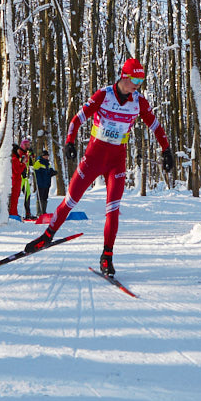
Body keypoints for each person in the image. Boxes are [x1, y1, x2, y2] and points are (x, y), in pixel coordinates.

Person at [25, 58, 174, 277]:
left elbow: (156, 126)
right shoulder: (103, 95)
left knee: (113, 210)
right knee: (70, 201)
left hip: (117, 161)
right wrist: (69, 141)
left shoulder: (139, 102)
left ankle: (107, 257)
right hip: (94, 157)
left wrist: (166, 150)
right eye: (134, 79)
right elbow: (77, 119)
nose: (137, 84)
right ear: (123, 76)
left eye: (141, 80)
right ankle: (47, 236)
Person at [9, 136, 32, 219]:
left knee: (24, 195)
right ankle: (13, 213)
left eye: (28, 144)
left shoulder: (25, 153)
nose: (28, 146)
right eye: (26, 144)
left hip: (22, 178)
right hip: (17, 179)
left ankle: (26, 213)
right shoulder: (15, 158)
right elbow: (18, 169)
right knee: (14, 197)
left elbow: (28, 162)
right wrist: (23, 163)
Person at [31, 149, 58, 216]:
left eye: (47, 156)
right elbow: (34, 170)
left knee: (45, 197)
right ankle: (39, 212)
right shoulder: (39, 162)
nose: (46, 157)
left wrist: (53, 172)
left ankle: (43, 211)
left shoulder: (48, 163)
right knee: (40, 197)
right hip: (41, 183)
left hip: (47, 183)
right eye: (45, 156)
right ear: (42, 156)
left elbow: (50, 171)